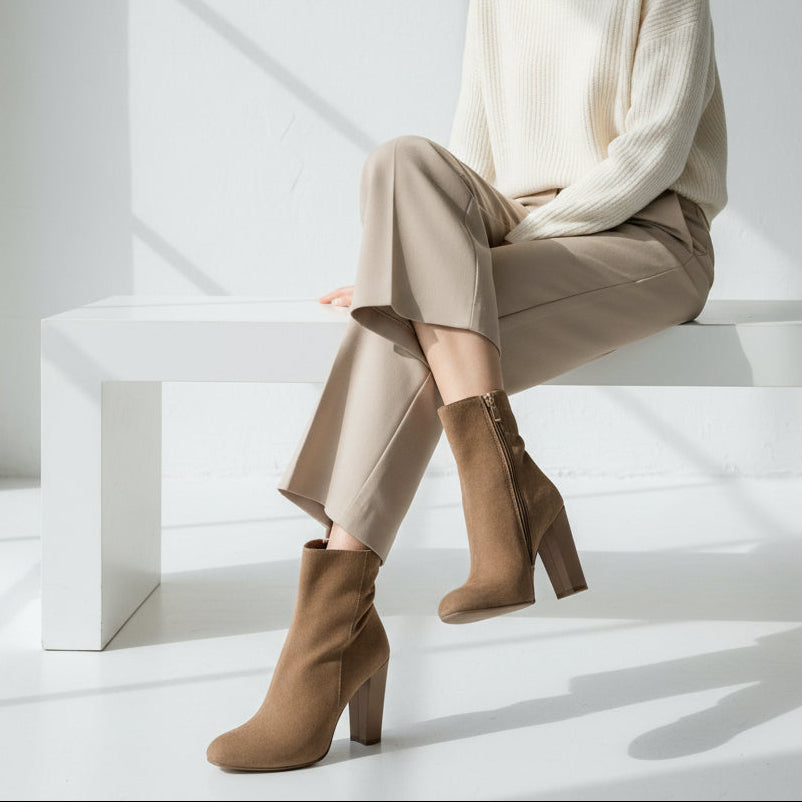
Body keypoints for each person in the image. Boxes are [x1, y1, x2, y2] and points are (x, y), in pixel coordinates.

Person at [206, 0, 726, 771]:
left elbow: (652, 153)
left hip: (648, 238)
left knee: (405, 320)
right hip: (520, 228)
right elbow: (469, 154)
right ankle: (507, 496)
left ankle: (329, 643)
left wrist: (448, 273)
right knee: (400, 161)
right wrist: (426, 259)